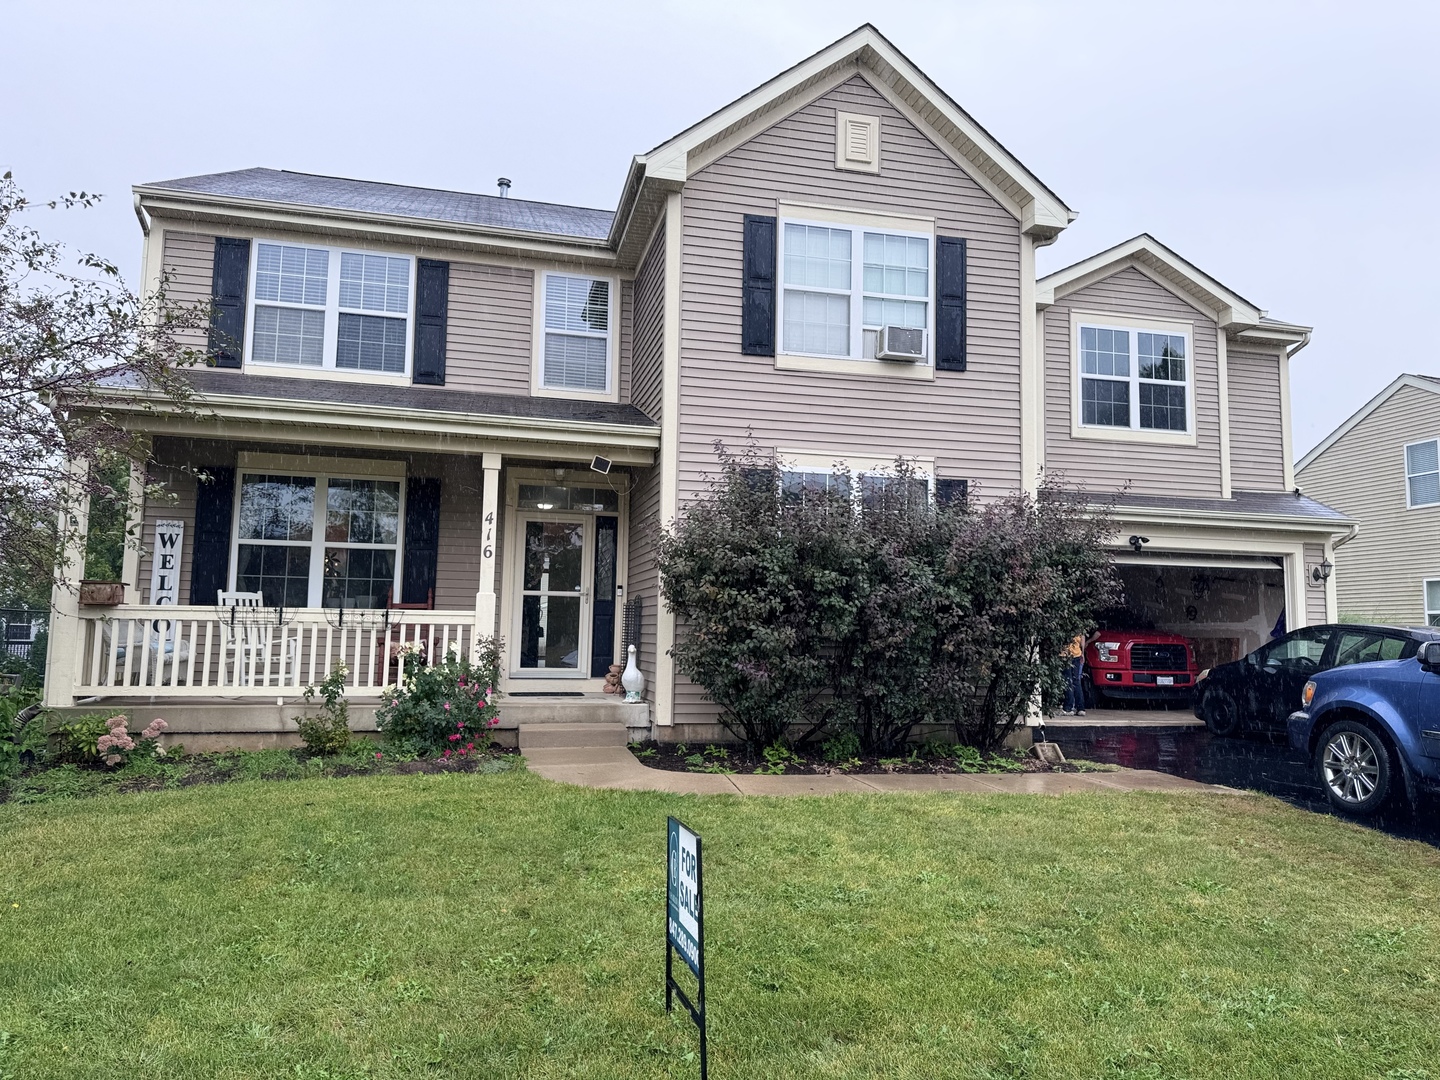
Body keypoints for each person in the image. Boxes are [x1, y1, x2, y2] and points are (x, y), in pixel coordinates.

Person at [1062, 630, 1096, 715]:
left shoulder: (1063, 623)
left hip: (1065, 655)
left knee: (1068, 681)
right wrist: (1083, 653)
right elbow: (1082, 638)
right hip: (1077, 654)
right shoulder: (1078, 626)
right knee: (1076, 681)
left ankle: (1068, 708)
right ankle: (1080, 708)